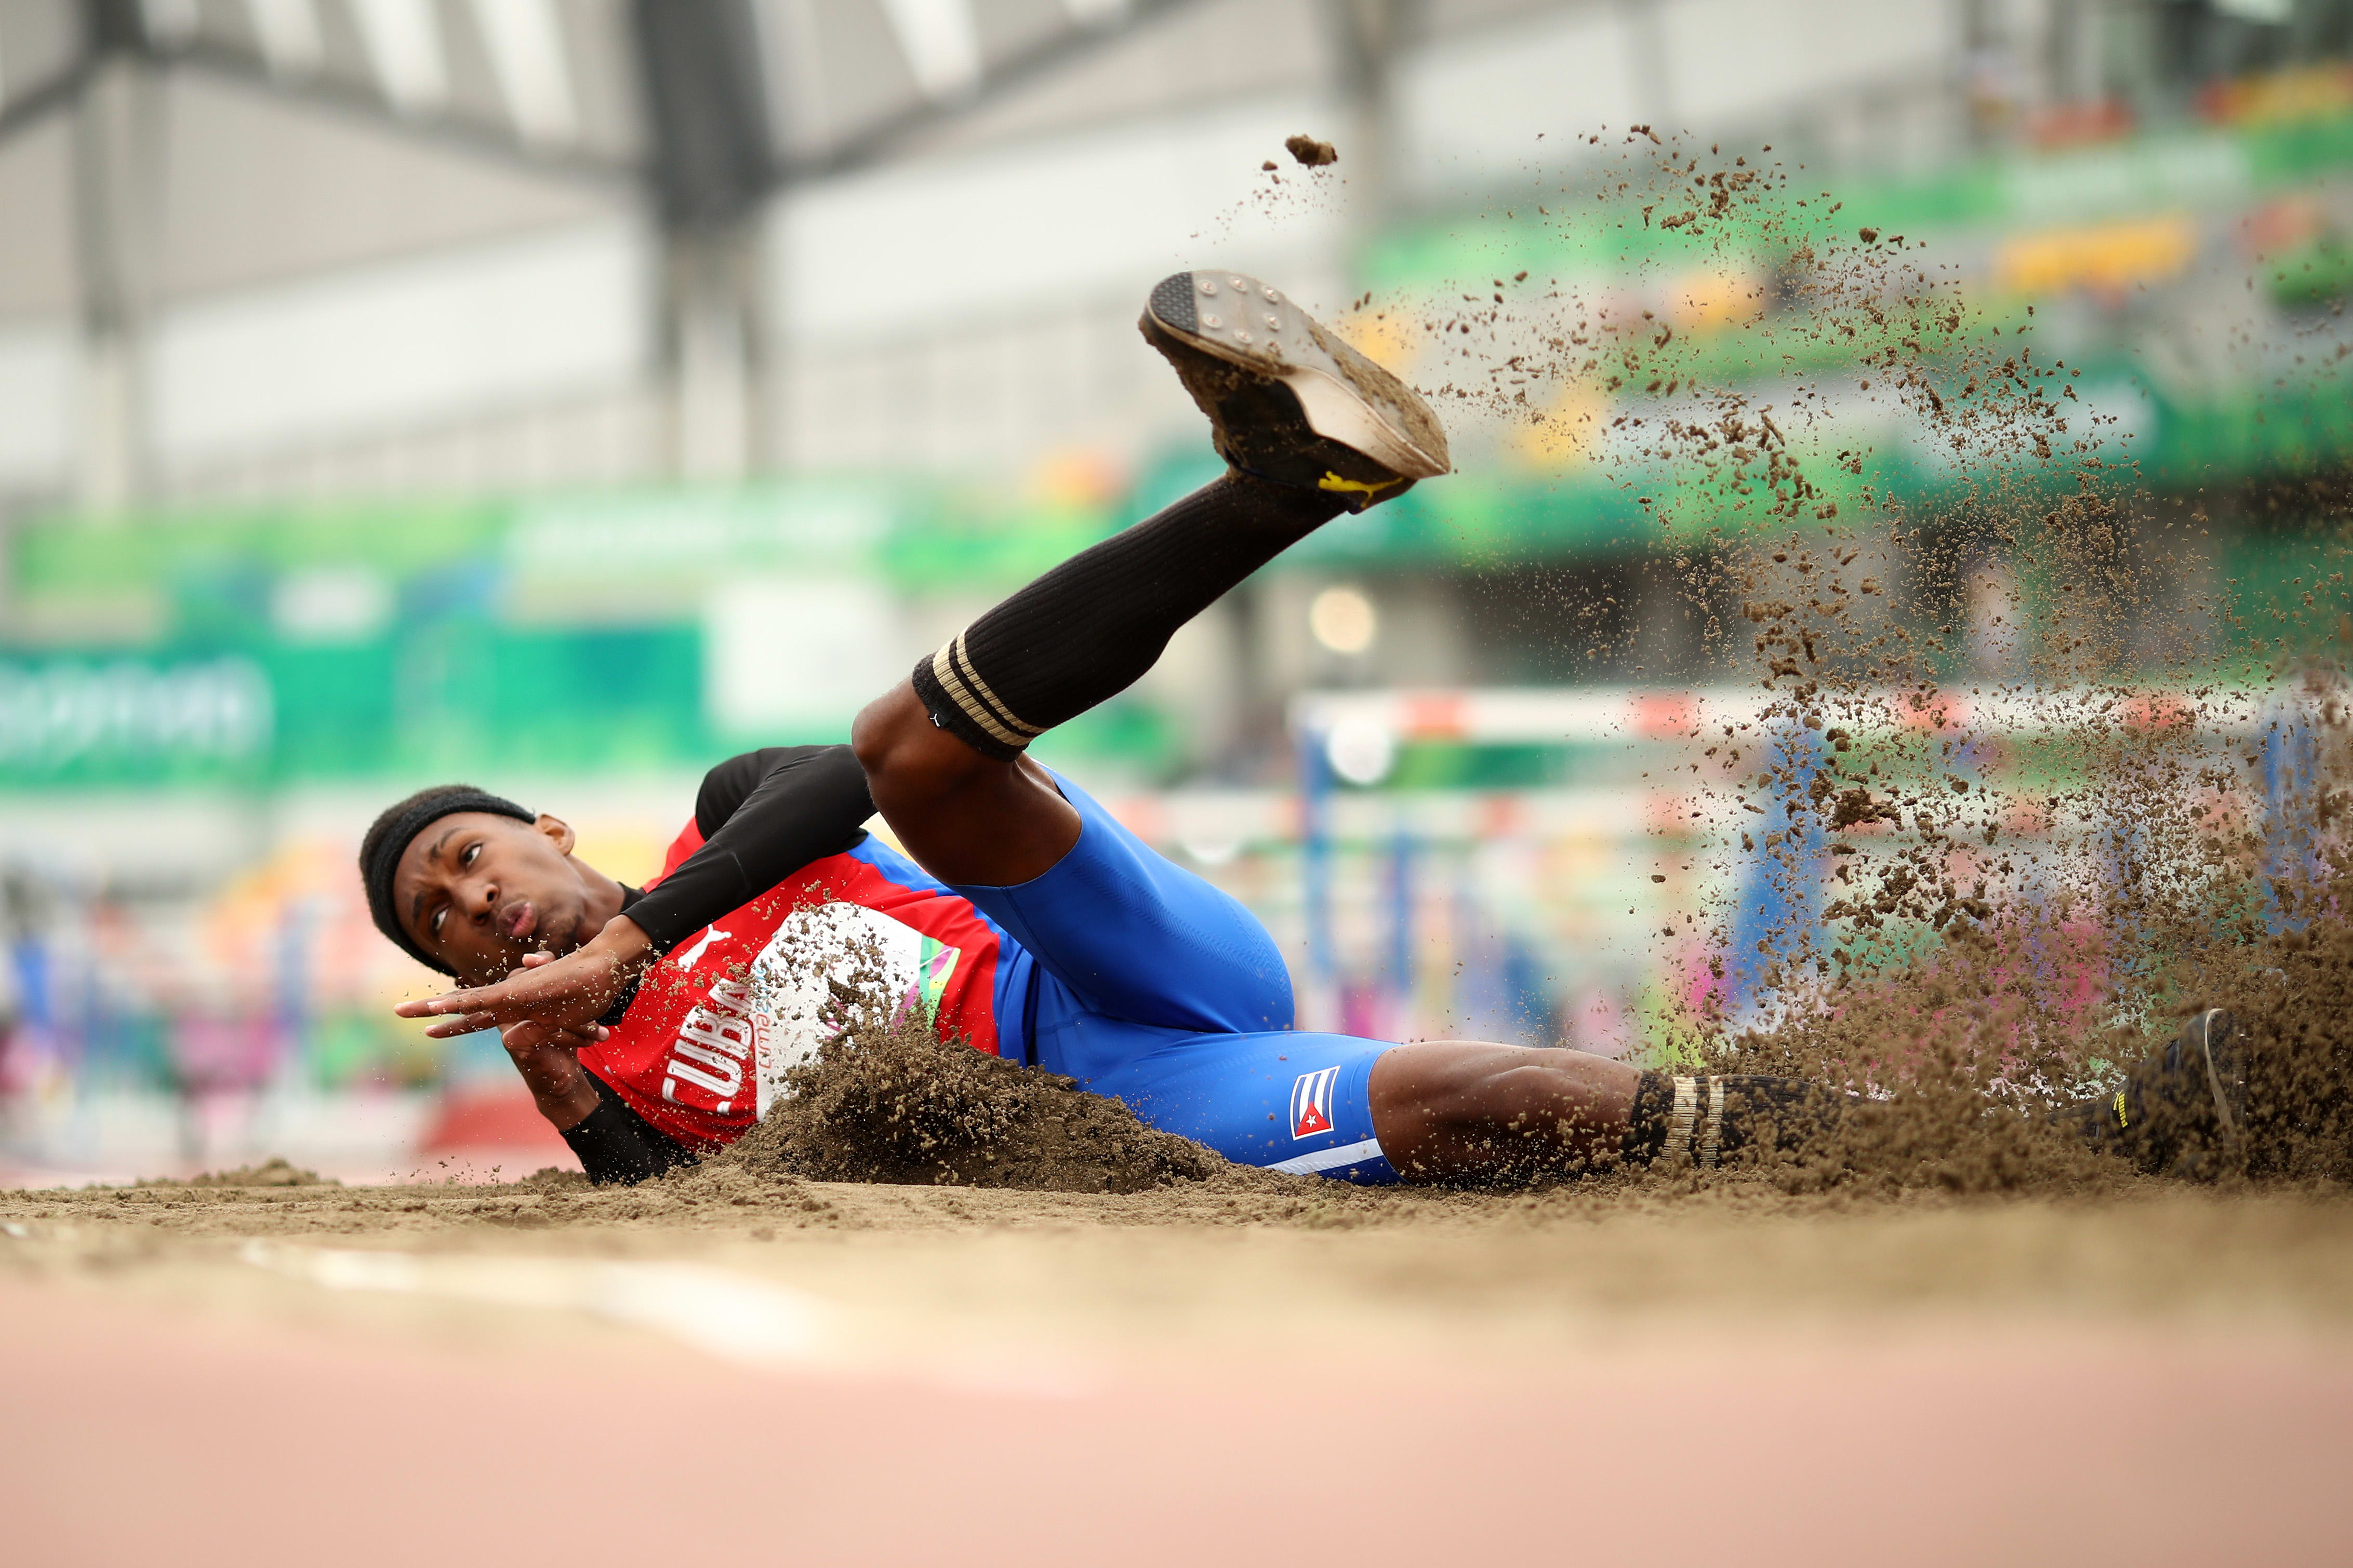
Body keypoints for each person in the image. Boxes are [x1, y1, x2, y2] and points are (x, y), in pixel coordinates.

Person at [364, 272, 2245, 1186]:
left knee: (918, 744)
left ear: (536, 823)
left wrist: (640, 931)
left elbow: (842, 786)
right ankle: (2065, 1127)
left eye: (467, 858)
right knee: (1467, 1098)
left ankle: (1295, 477)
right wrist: (573, 1083)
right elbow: (706, 1213)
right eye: (439, 924)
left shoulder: (715, 831)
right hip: (1105, 1104)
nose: (475, 909)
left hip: (1071, 963)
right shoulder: (615, 1087)